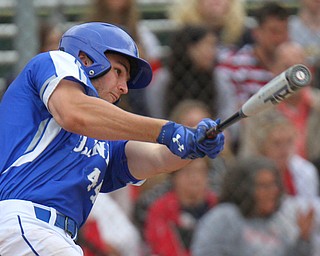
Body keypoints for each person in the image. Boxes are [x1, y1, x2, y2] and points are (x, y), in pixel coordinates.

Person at [0, 22, 225, 255]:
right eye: (118, 71)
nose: (124, 88)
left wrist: (193, 145)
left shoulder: (103, 139)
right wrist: (167, 130)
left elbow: (157, 158)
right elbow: (73, 113)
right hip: (23, 224)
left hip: (49, 237)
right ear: (86, 59)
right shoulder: (56, 61)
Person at [191, 156, 315, 256]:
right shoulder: (225, 217)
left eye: (274, 184)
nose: (273, 191)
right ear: (243, 188)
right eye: (265, 186)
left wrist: (303, 239)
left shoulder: (278, 222)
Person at [215, 1, 290, 149]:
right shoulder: (234, 64)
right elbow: (232, 110)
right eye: (273, 31)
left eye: (284, 31)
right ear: (257, 32)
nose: (279, 38)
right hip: (246, 138)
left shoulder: (292, 65)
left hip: (286, 132)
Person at [144, 157, 218, 256]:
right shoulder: (160, 210)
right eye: (188, 171)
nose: (195, 178)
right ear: (174, 176)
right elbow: (161, 248)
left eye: (201, 171)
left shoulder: (217, 207)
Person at [239, 109, 319, 198]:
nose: (284, 149)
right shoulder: (250, 174)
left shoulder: (306, 171)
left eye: (289, 141)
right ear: (262, 146)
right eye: (277, 143)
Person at [145, 25, 219, 118]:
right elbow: (155, 114)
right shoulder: (164, 78)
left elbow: (226, 112)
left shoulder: (218, 78)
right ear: (190, 48)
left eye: (213, 46)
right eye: (207, 45)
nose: (213, 52)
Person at [271, 41, 320, 161]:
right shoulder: (260, 109)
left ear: (310, 72)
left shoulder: (318, 105)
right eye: (286, 67)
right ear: (274, 70)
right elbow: (250, 157)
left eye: (298, 67)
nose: (293, 76)